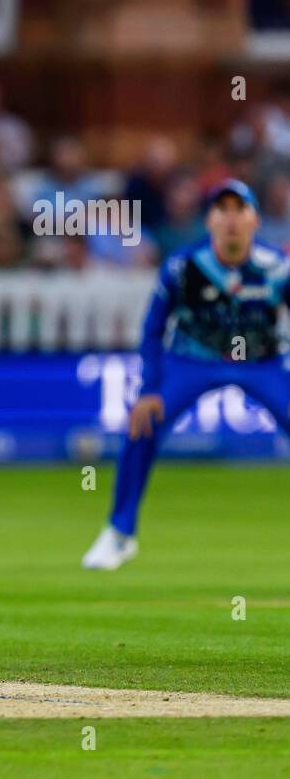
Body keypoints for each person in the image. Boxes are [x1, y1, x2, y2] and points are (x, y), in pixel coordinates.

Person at [82, 180, 290, 569]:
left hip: (261, 362)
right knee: (141, 425)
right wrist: (150, 388)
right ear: (208, 220)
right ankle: (119, 533)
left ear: (255, 220)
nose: (230, 219)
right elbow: (152, 329)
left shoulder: (278, 268)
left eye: (238, 210)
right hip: (192, 360)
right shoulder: (183, 267)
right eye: (221, 210)